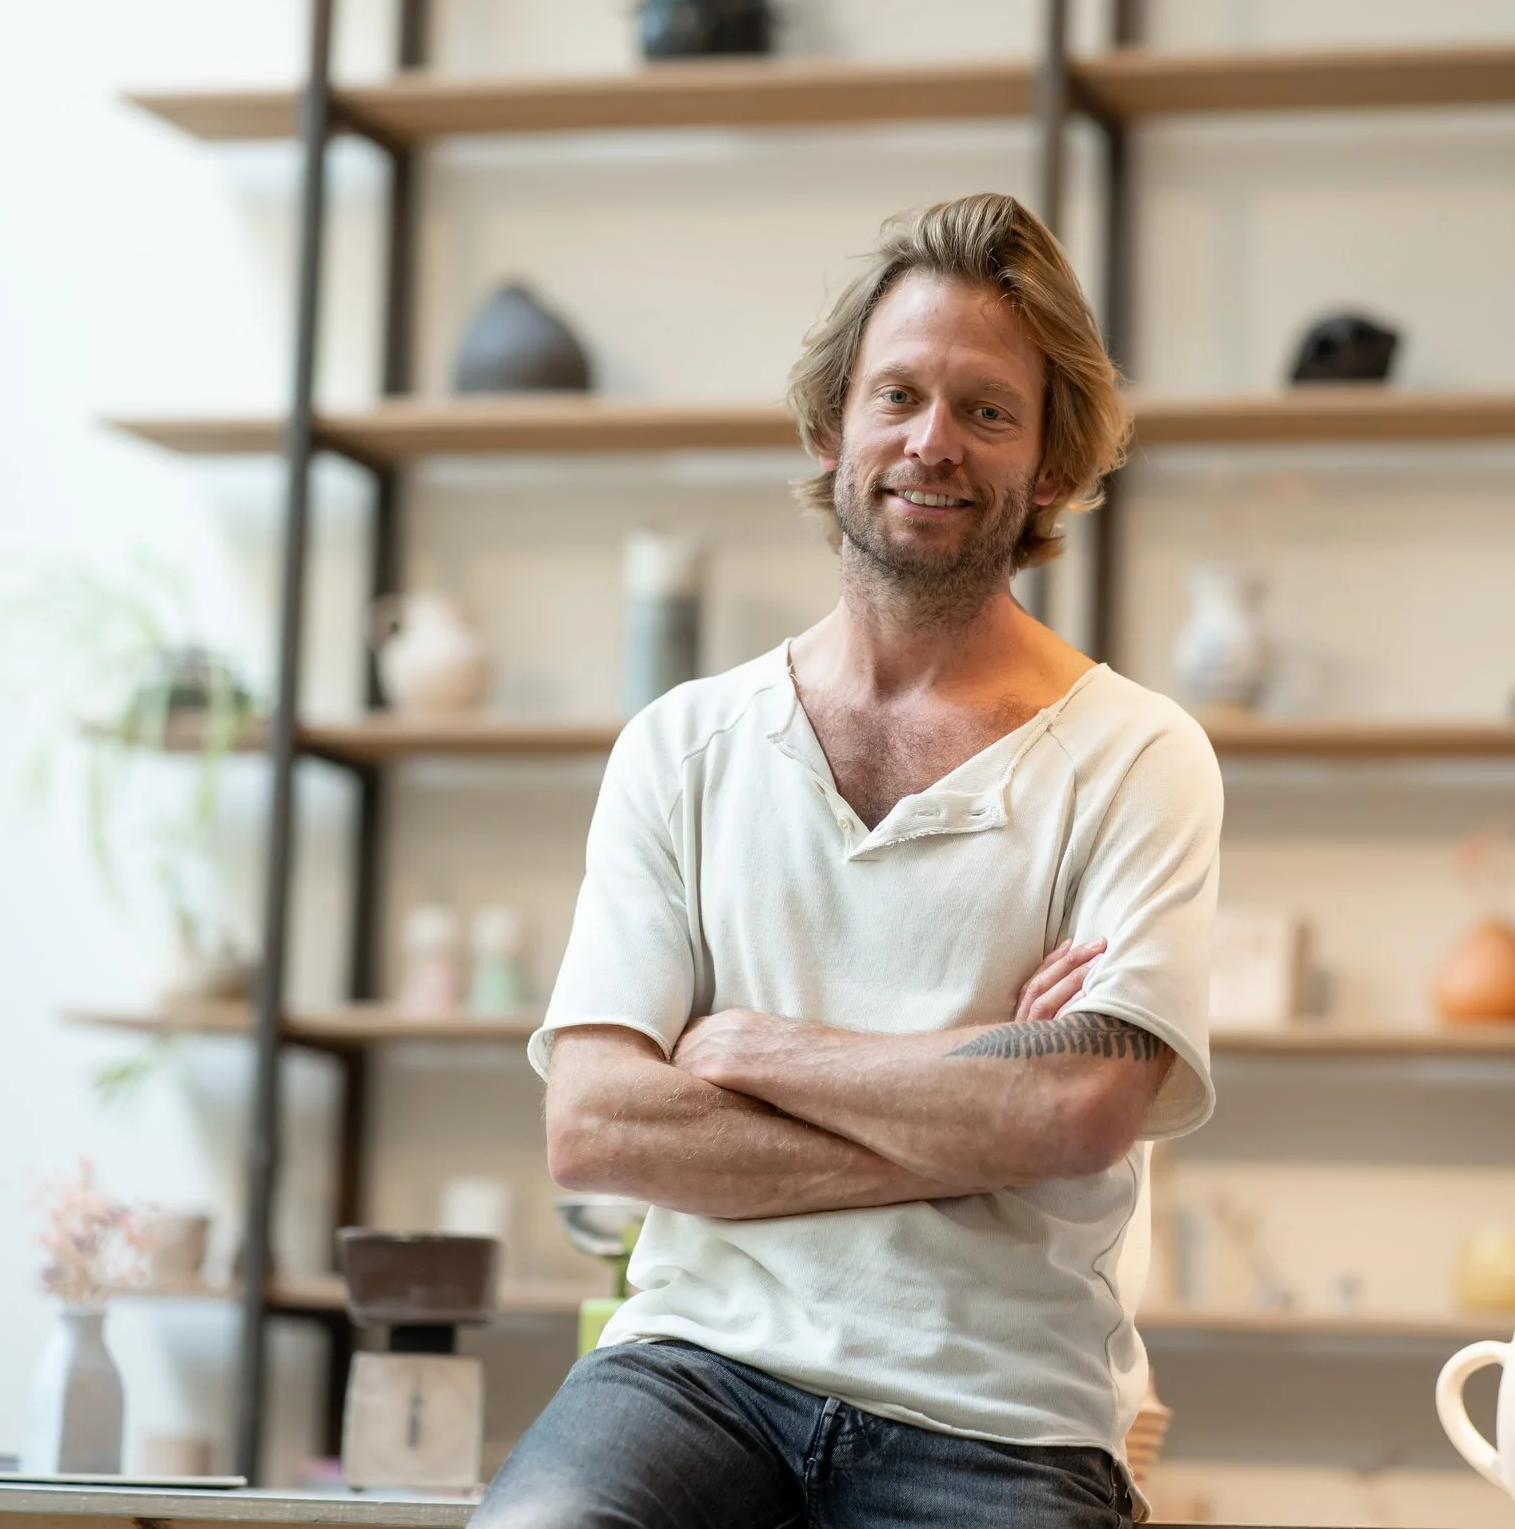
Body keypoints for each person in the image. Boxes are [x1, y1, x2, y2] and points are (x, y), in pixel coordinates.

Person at [474, 192, 1223, 1529]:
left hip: (1000, 1418)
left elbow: (1079, 1113)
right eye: (900, 396)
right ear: (835, 430)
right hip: (694, 1374)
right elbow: (595, 1125)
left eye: (988, 411)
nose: (934, 440)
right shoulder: (683, 745)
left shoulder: (1138, 753)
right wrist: (982, 1091)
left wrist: (754, 1051)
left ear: (1051, 466)